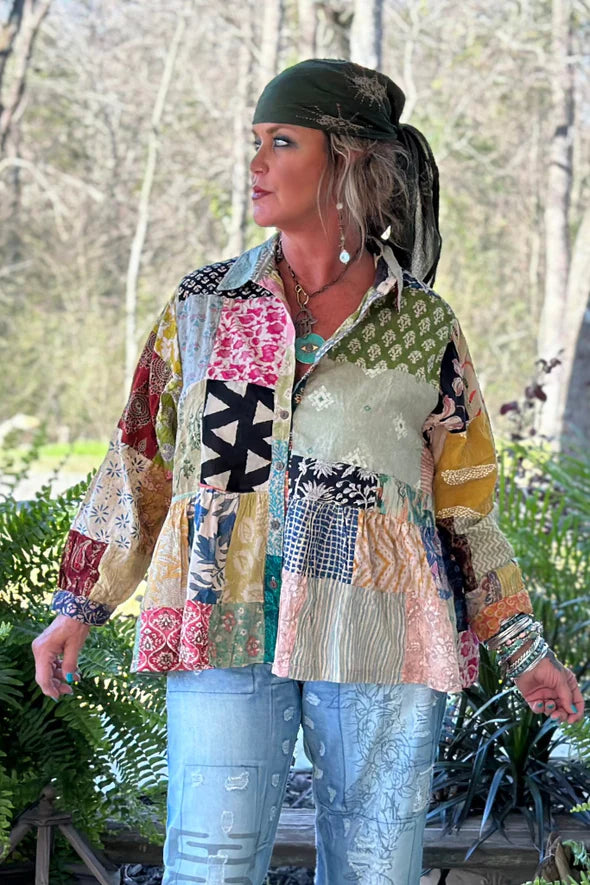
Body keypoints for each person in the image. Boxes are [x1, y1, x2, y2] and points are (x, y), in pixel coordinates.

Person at [32, 58, 584, 885]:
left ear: (348, 157)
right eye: (254, 141)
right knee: (210, 867)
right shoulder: (204, 305)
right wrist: (79, 603)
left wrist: (522, 646)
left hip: (382, 632)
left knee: (374, 869)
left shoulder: (422, 325)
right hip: (222, 619)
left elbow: (464, 509)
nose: (256, 163)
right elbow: (139, 464)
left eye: (281, 142)